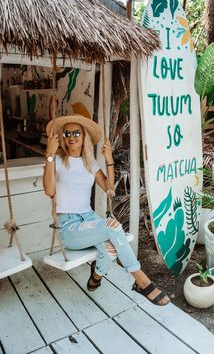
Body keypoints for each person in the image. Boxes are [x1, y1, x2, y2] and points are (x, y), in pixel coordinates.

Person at [43, 114, 170, 306]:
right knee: (113, 226)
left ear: (84, 136)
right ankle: (141, 280)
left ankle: (96, 276)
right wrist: (50, 156)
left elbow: (109, 189)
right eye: (67, 133)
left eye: (76, 132)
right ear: (62, 137)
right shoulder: (58, 161)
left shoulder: (89, 164)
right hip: (69, 226)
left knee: (110, 250)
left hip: (89, 219)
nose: (71, 136)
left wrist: (108, 159)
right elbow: (49, 190)